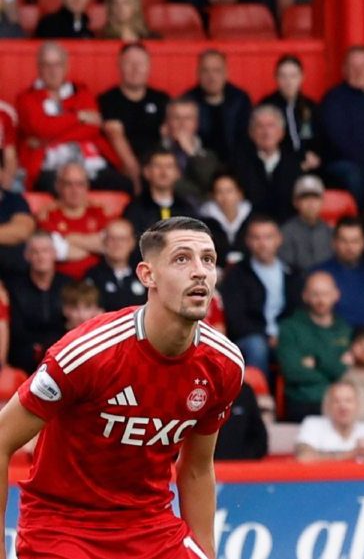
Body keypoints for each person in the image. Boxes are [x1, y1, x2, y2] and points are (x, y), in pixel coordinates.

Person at [0, 217, 242, 559]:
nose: (200, 271)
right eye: (182, 259)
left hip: (152, 528)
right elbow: (2, 438)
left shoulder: (224, 364)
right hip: (64, 529)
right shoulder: (88, 353)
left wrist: (205, 553)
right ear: (147, 275)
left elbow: (197, 467)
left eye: (209, 259)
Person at [16, 42, 125, 193]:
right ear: (39, 68)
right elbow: (40, 128)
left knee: (124, 185)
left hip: (89, 163)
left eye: (57, 65)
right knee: (55, 187)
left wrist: (47, 139)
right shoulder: (26, 98)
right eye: (47, 65)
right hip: (49, 167)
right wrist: (79, 117)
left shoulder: (82, 93)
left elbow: (91, 129)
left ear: (66, 66)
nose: (53, 71)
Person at [219, 214, 297, 376]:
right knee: (257, 345)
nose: (262, 244)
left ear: (278, 239)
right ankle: (258, 398)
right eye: (256, 238)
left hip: (286, 338)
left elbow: (298, 313)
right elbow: (236, 319)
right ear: (248, 241)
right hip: (250, 339)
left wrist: (283, 335)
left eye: (268, 237)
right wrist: (267, 337)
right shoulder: (237, 274)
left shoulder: (291, 273)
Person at [318, 46, 364, 201]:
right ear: (344, 70)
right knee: (361, 173)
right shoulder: (333, 100)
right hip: (345, 163)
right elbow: (338, 139)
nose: (359, 72)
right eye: (354, 67)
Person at [275, 271, 351, 422]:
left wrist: (316, 362)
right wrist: (333, 367)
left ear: (336, 295)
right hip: (303, 401)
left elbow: (348, 372)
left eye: (326, 294)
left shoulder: (345, 329)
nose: (321, 300)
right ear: (305, 296)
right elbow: (292, 371)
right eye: (315, 294)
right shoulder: (289, 328)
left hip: (339, 403)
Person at [99, 44, 169, 188]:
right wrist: (138, 175)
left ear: (149, 67)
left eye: (141, 63)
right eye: (129, 63)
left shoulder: (162, 99)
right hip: (120, 169)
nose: (135, 69)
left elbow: (169, 136)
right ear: (119, 66)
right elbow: (115, 136)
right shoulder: (107, 100)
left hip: (157, 167)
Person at [7, 232, 71, 372]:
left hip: (62, 355)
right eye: (35, 252)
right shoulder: (14, 287)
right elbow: (15, 330)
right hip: (24, 358)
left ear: (54, 254)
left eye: (45, 251)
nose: (40, 256)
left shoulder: (68, 285)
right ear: (27, 256)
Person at [38, 162, 109, 280]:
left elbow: (108, 245)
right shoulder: (48, 214)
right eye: (68, 184)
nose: (75, 190)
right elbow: (59, 252)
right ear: (58, 186)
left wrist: (68, 238)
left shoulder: (98, 211)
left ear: (87, 186)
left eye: (80, 184)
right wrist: (92, 247)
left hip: (97, 279)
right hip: (60, 280)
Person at [230, 106, 301, 222]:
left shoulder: (294, 164)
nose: (266, 132)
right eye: (260, 126)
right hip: (250, 228)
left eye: (271, 126)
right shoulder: (238, 165)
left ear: (281, 132)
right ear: (251, 133)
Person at [318, 218, 364, 328]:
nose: (349, 247)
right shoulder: (318, 275)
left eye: (355, 241)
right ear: (334, 243)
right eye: (344, 241)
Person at [260, 54, 320, 165]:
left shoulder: (310, 106)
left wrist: (316, 156)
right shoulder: (266, 107)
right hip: (280, 164)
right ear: (276, 78)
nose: (288, 82)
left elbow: (320, 138)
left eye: (293, 76)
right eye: (283, 76)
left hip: (310, 163)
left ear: (302, 77)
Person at [123, 147, 199, 233]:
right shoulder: (135, 209)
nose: (164, 172)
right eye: (157, 166)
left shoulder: (186, 209)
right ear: (146, 172)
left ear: (178, 173)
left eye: (169, 166)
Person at [84, 218, 144, 312]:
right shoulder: (92, 276)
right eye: (112, 239)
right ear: (104, 242)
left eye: (122, 239)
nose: (117, 244)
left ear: (132, 243)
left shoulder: (142, 274)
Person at [278, 175, 332, 274]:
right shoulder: (285, 232)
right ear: (295, 202)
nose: (311, 203)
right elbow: (286, 267)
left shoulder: (331, 231)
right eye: (305, 198)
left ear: (322, 201)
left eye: (315, 198)